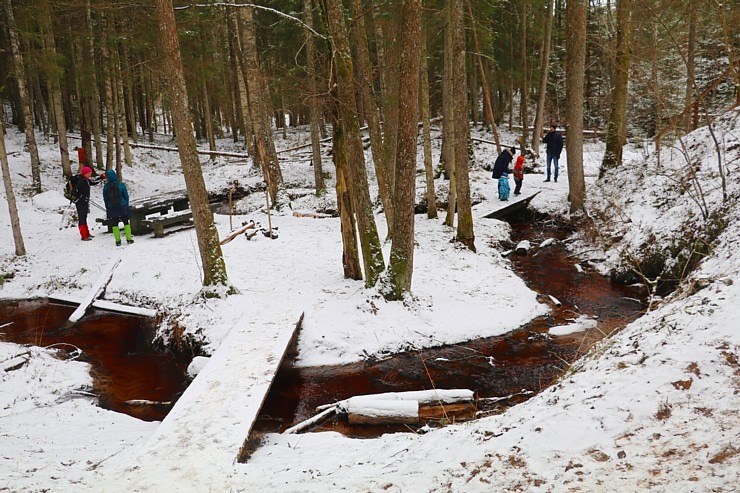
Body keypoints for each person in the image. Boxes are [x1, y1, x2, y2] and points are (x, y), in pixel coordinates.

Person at [102, 169, 134, 247]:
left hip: (112, 207)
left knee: (114, 224)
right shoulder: (121, 184)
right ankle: (129, 239)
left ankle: (118, 241)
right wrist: (126, 204)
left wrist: (107, 206)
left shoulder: (106, 187)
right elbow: (126, 196)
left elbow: (105, 198)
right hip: (122, 206)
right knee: (126, 222)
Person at [73, 166, 100, 241]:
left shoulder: (86, 180)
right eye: (89, 173)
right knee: (82, 218)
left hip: (84, 201)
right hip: (80, 202)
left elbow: (93, 183)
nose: (90, 174)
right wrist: (80, 197)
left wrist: (101, 178)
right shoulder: (81, 181)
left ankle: (87, 233)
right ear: (86, 173)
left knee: (84, 217)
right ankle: (84, 236)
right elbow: (75, 191)